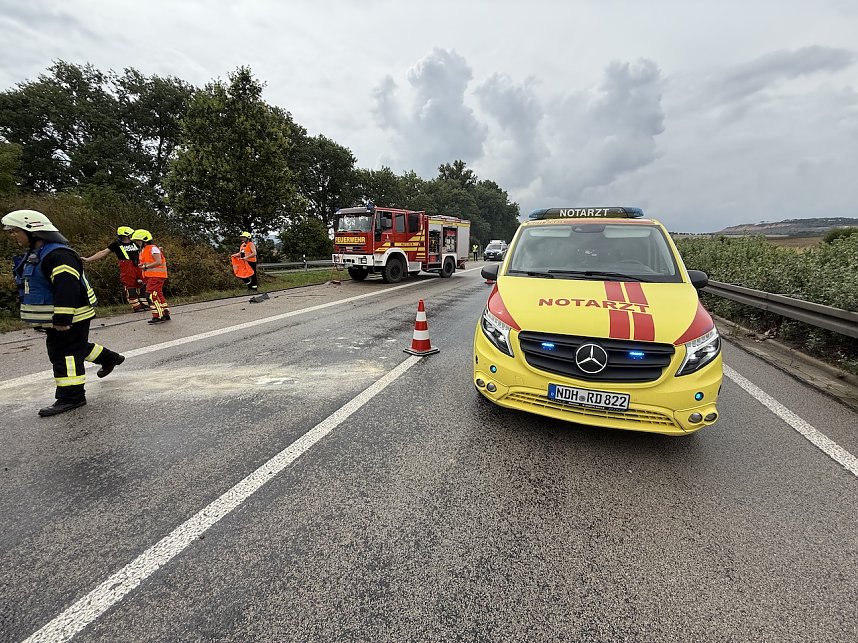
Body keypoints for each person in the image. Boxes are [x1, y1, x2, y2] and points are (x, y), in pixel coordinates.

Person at [3, 209, 125, 417]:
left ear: (32, 231)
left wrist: (62, 317)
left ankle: (72, 397)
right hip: (64, 317)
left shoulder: (58, 255)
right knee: (74, 347)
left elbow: (67, 287)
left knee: (65, 354)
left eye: (16, 231)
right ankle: (110, 358)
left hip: (71, 315)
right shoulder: (41, 254)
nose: (14, 236)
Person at [83, 226, 149, 312]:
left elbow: (147, 250)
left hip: (139, 266)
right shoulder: (116, 245)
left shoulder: (136, 243)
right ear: (127, 235)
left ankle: (145, 303)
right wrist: (88, 259)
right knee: (130, 286)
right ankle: (136, 306)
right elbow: (103, 252)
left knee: (143, 284)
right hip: (127, 268)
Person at [131, 229, 171, 323]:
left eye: (138, 240)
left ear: (145, 240)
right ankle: (165, 313)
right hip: (151, 276)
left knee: (150, 295)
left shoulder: (152, 248)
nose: (137, 242)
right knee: (158, 294)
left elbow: (158, 261)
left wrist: (145, 266)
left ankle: (157, 315)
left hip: (156, 276)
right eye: (136, 240)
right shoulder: (144, 250)